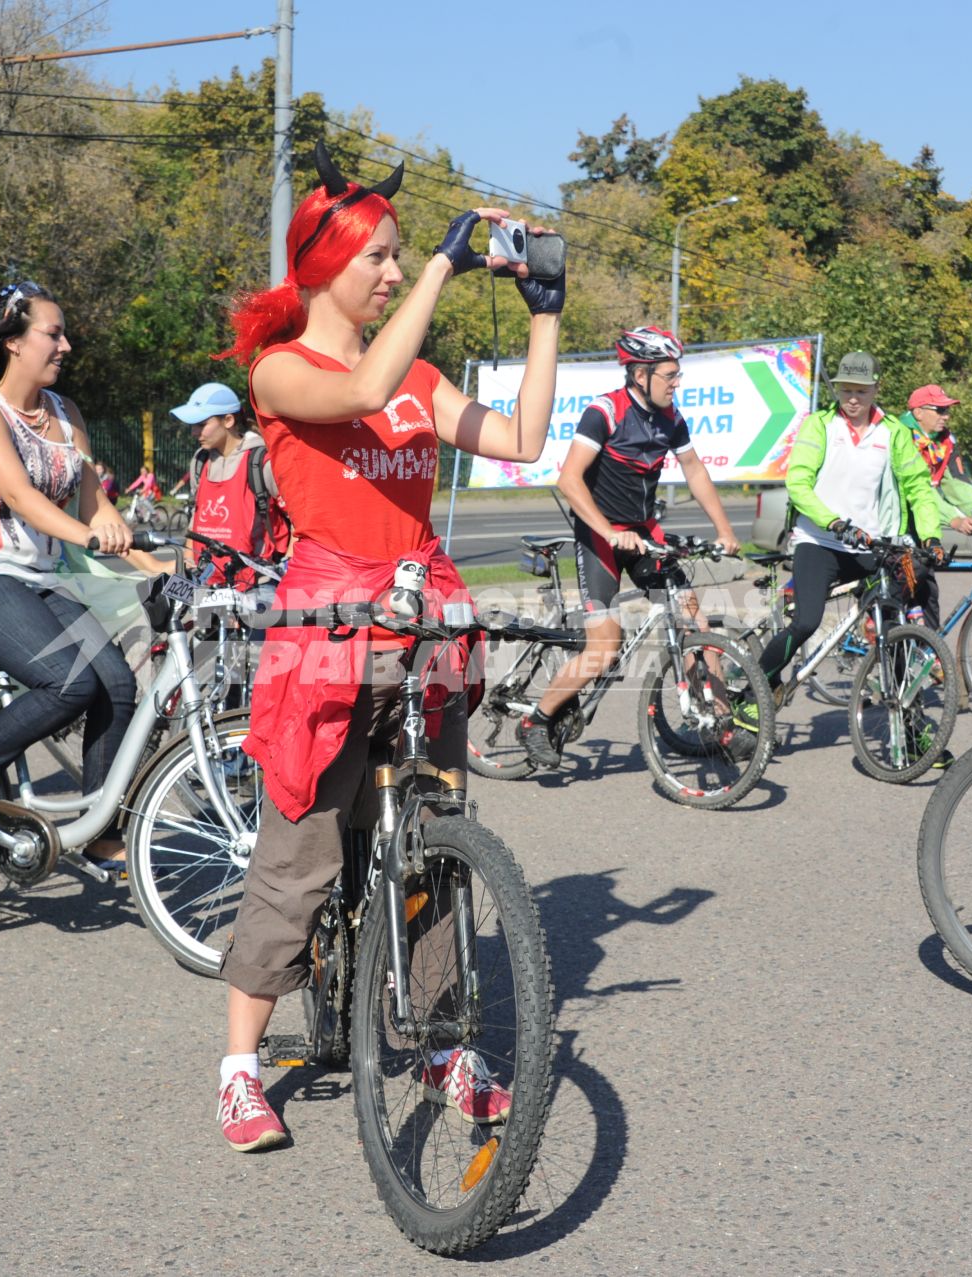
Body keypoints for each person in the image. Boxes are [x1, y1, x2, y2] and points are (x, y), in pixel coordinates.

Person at [211, 142, 563, 1152]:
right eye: (385, 258)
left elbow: (526, 436)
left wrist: (545, 312)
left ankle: (446, 1042)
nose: (398, 273)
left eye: (408, 259)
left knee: (434, 840)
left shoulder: (419, 374)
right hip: (328, 613)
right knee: (303, 844)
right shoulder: (282, 371)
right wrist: (452, 267)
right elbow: (363, 391)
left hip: (426, 609)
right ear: (326, 261)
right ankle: (241, 1061)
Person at [0, 280, 138, 869]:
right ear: (13, 341)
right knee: (67, 682)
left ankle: (98, 828)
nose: (66, 345)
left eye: (65, 334)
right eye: (53, 333)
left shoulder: (67, 414)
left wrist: (155, 562)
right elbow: (19, 495)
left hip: (35, 577)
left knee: (116, 684)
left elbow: (95, 504)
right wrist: (91, 538)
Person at [515, 325, 742, 768]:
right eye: (670, 375)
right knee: (604, 650)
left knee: (699, 629)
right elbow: (569, 479)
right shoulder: (605, 412)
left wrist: (725, 530)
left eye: (679, 375)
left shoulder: (671, 418)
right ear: (641, 374)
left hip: (643, 535)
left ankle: (722, 726)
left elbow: (694, 471)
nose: (677, 383)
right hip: (600, 538)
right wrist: (608, 529)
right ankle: (537, 721)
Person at [749, 351, 972, 748]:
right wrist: (832, 521)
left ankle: (913, 726)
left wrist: (931, 537)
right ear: (837, 389)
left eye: (861, 391)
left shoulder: (893, 433)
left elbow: (919, 488)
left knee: (895, 629)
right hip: (821, 541)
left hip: (874, 546)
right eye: (846, 390)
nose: (853, 398)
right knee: (806, 621)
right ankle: (758, 685)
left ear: (875, 389)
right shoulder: (819, 426)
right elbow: (799, 482)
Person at [171, 380, 290, 587]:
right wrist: (188, 562)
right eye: (193, 426)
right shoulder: (200, 461)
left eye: (201, 424)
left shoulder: (261, 461)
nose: (194, 433)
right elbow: (197, 518)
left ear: (228, 420)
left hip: (257, 582)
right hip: (207, 582)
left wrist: (289, 567)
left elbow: (300, 521)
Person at [906, 383, 972, 535]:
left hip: (925, 522)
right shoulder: (902, 438)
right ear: (918, 413)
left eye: (947, 410)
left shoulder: (945, 440)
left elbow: (957, 483)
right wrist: (954, 519)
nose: (946, 416)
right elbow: (918, 488)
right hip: (899, 523)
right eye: (940, 410)